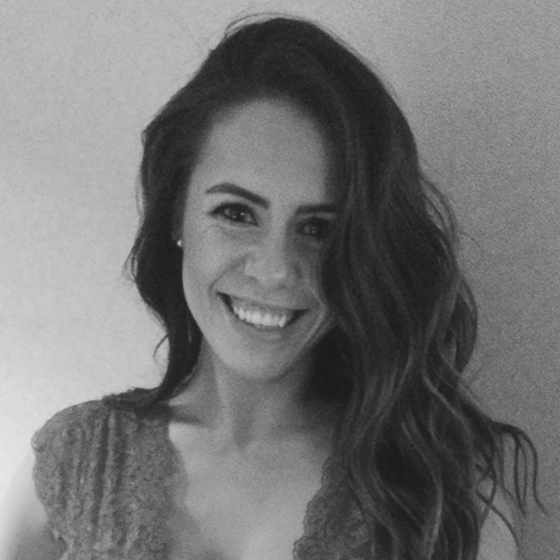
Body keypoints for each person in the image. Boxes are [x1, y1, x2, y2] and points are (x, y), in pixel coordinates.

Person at [2, 14, 544, 560]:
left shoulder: (448, 505)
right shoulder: (71, 471)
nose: (275, 270)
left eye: (319, 229)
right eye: (236, 213)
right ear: (175, 216)